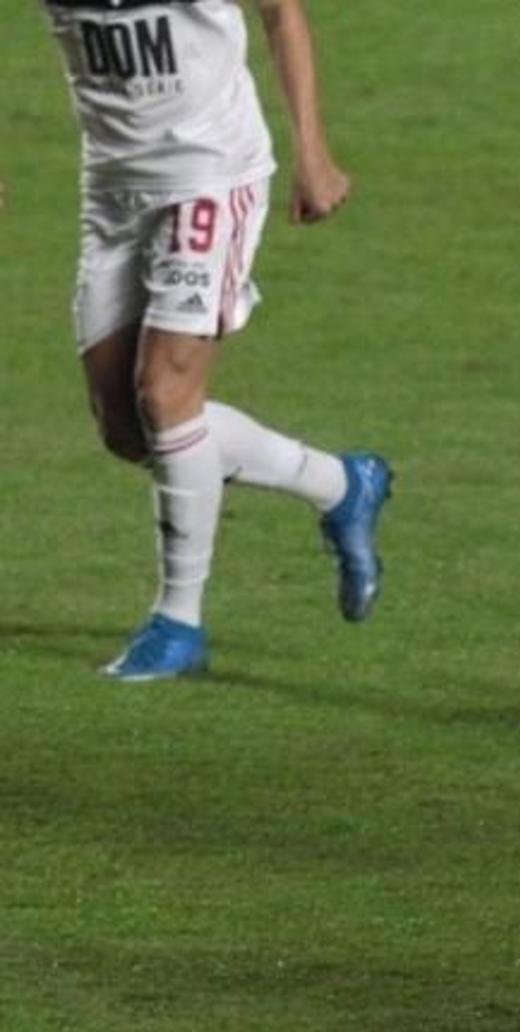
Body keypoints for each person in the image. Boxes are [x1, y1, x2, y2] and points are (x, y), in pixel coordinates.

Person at [42, 0, 390, 680]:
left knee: (165, 394)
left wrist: (312, 153)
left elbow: (280, 12)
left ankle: (178, 622)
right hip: (112, 188)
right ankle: (340, 483)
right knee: (127, 430)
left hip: (210, 174)